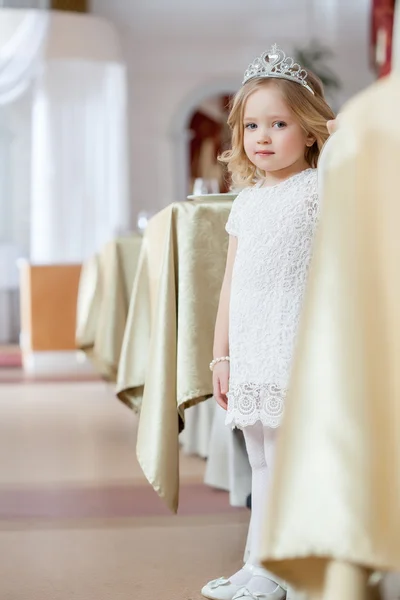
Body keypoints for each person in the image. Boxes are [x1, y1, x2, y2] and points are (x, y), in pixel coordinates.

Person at [201, 44, 335, 600]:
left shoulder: (318, 192)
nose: (262, 136)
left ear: (307, 131)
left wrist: (339, 127)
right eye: (252, 124)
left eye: (279, 123)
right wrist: (221, 355)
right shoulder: (247, 201)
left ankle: (281, 569)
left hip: (292, 339)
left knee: (282, 457)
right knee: (258, 457)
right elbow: (230, 282)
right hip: (251, 344)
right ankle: (256, 561)